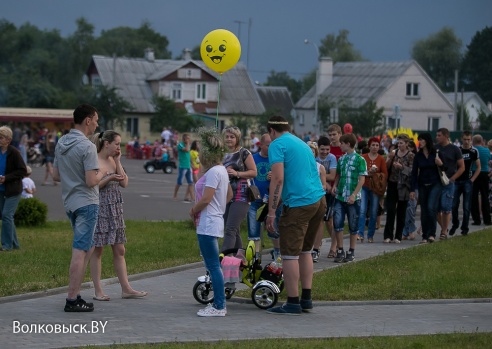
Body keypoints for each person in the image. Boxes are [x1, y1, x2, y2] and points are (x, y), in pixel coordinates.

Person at [265, 116, 326, 315]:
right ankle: (306, 299)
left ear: (272, 131)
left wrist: (272, 212)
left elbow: (278, 178)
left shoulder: (277, 145)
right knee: (306, 251)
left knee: (289, 253)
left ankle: (292, 302)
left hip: (300, 204)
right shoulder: (300, 142)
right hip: (318, 200)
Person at [53, 104, 104, 312]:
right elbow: (92, 180)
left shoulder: (61, 142)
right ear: (87, 120)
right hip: (87, 202)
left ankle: (76, 295)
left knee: (88, 247)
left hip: (70, 202)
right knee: (80, 251)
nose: (97, 124)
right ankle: (72, 299)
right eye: (96, 119)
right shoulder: (87, 146)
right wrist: (103, 173)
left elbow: (56, 176)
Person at [89, 131, 148, 301]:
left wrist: (117, 161)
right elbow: (92, 185)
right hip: (100, 207)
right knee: (98, 249)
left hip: (115, 208)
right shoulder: (94, 160)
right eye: (116, 144)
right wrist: (108, 179)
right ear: (106, 143)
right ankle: (98, 290)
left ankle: (126, 288)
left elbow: (124, 182)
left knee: (120, 249)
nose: (118, 147)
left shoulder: (113, 161)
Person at [189, 127, 232, 317]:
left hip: (208, 222)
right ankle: (218, 304)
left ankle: (219, 305)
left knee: (213, 265)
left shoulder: (214, 172)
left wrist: (193, 210)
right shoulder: (221, 170)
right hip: (213, 220)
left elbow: (206, 199)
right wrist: (219, 205)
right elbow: (229, 194)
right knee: (213, 265)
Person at [221, 126, 257, 252]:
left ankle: (224, 258)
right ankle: (239, 259)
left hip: (241, 194)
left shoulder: (244, 153)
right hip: (225, 194)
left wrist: (237, 174)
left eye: (232, 137)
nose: (229, 139)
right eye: (227, 136)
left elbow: (254, 172)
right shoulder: (220, 152)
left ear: (237, 139)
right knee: (233, 229)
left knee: (230, 229)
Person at [332, 133, 367, 263]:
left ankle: (351, 251)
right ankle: (340, 250)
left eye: (341, 143)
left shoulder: (360, 160)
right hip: (340, 196)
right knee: (338, 223)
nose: (340, 145)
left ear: (348, 144)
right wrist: (335, 185)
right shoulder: (341, 159)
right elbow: (339, 175)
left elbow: (362, 179)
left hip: (353, 198)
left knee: (353, 225)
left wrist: (354, 194)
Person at [246, 133, 281, 260]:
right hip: (255, 198)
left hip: (272, 200)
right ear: (261, 145)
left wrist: (274, 177)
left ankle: (277, 251)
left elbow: (283, 178)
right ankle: (255, 257)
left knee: (274, 228)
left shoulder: (276, 159)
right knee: (253, 229)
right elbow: (248, 174)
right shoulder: (253, 158)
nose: (271, 147)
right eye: (268, 145)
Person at [410, 133, 441, 244]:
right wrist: (413, 189)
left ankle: (432, 234)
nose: (420, 142)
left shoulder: (435, 153)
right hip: (423, 184)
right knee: (424, 211)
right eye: (419, 140)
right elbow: (414, 173)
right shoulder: (418, 156)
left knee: (431, 208)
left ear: (427, 141)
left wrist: (440, 164)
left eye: (422, 139)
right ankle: (425, 235)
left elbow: (444, 168)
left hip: (435, 184)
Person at [0, 126, 27, 251]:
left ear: (8, 140)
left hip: (13, 189)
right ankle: (15, 245)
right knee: (6, 217)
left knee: (6, 215)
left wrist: (6, 178)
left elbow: (22, 171)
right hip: (1, 190)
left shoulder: (14, 152)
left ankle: (7, 246)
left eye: (1, 137)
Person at [384, 134, 414, 243]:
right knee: (391, 209)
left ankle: (398, 236)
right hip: (392, 183)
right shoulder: (393, 153)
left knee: (401, 211)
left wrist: (402, 167)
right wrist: (389, 159)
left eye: (401, 143)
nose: (399, 145)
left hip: (404, 185)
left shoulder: (411, 155)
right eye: (398, 142)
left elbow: (412, 171)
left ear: (407, 144)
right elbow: (386, 167)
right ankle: (388, 235)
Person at [435, 128, 464, 239]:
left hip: (448, 182)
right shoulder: (435, 148)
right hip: (436, 181)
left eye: (439, 135)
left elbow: (462, 167)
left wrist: (453, 178)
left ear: (446, 136)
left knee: (446, 207)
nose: (437, 137)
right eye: (436, 135)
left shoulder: (454, 149)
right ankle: (444, 227)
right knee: (436, 208)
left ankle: (443, 232)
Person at [450, 131, 480, 236]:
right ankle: (455, 223)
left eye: (468, 139)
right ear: (461, 139)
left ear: (471, 139)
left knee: (466, 206)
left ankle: (465, 227)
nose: (467, 141)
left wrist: (472, 179)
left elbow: (478, 167)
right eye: (465, 139)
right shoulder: (458, 150)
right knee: (454, 205)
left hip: (467, 181)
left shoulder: (474, 151)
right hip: (457, 181)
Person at [312, 136, 337, 260]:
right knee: (320, 221)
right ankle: (317, 247)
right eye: (322, 149)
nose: (325, 152)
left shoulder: (332, 158)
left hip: (330, 192)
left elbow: (332, 176)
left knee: (330, 221)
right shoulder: (315, 159)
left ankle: (334, 245)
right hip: (319, 192)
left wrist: (323, 178)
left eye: (327, 149)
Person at [358, 137, 387, 243]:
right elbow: (359, 171)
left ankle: (370, 235)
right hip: (364, 185)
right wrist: (368, 172)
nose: (375, 147)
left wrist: (376, 174)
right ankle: (360, 234)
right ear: (369, 146)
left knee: (374, 212)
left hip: (375, 188)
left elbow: (385, 174)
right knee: (362, 210)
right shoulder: (363, 157)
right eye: (373, 145)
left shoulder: (381, 159)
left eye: (377, 145)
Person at [470, 134, 491, 226]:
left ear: (473, 142)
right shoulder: (487, 151)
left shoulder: (472, 150)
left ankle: (476, 219)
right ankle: (487, 219)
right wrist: (490, 174)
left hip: (474, 174)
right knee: (485, 197)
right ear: (482, 141)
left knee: (474, 197)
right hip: (484, 174)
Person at [402, 140, 418, 240]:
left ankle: (409, 230)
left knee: (411, 209)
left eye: (411, 147)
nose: (410, 150)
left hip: (415, 186)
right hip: (404, 186)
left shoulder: (416, 158)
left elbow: (414, 173)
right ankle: (406, 231)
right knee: (406, 210)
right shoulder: (402, 157)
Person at [173, 134, 194, 203]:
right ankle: (175, 195)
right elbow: (187, 150)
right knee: (179, 182)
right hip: (182, 166)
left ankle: (192, 197)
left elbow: (189, 155)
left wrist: (192, 163)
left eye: (189, 138)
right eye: (187, 138)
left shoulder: (188, 145)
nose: (189, 140)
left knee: (190, 182)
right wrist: (187, 143)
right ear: (184, 139)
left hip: (188, 166)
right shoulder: (180, 145)